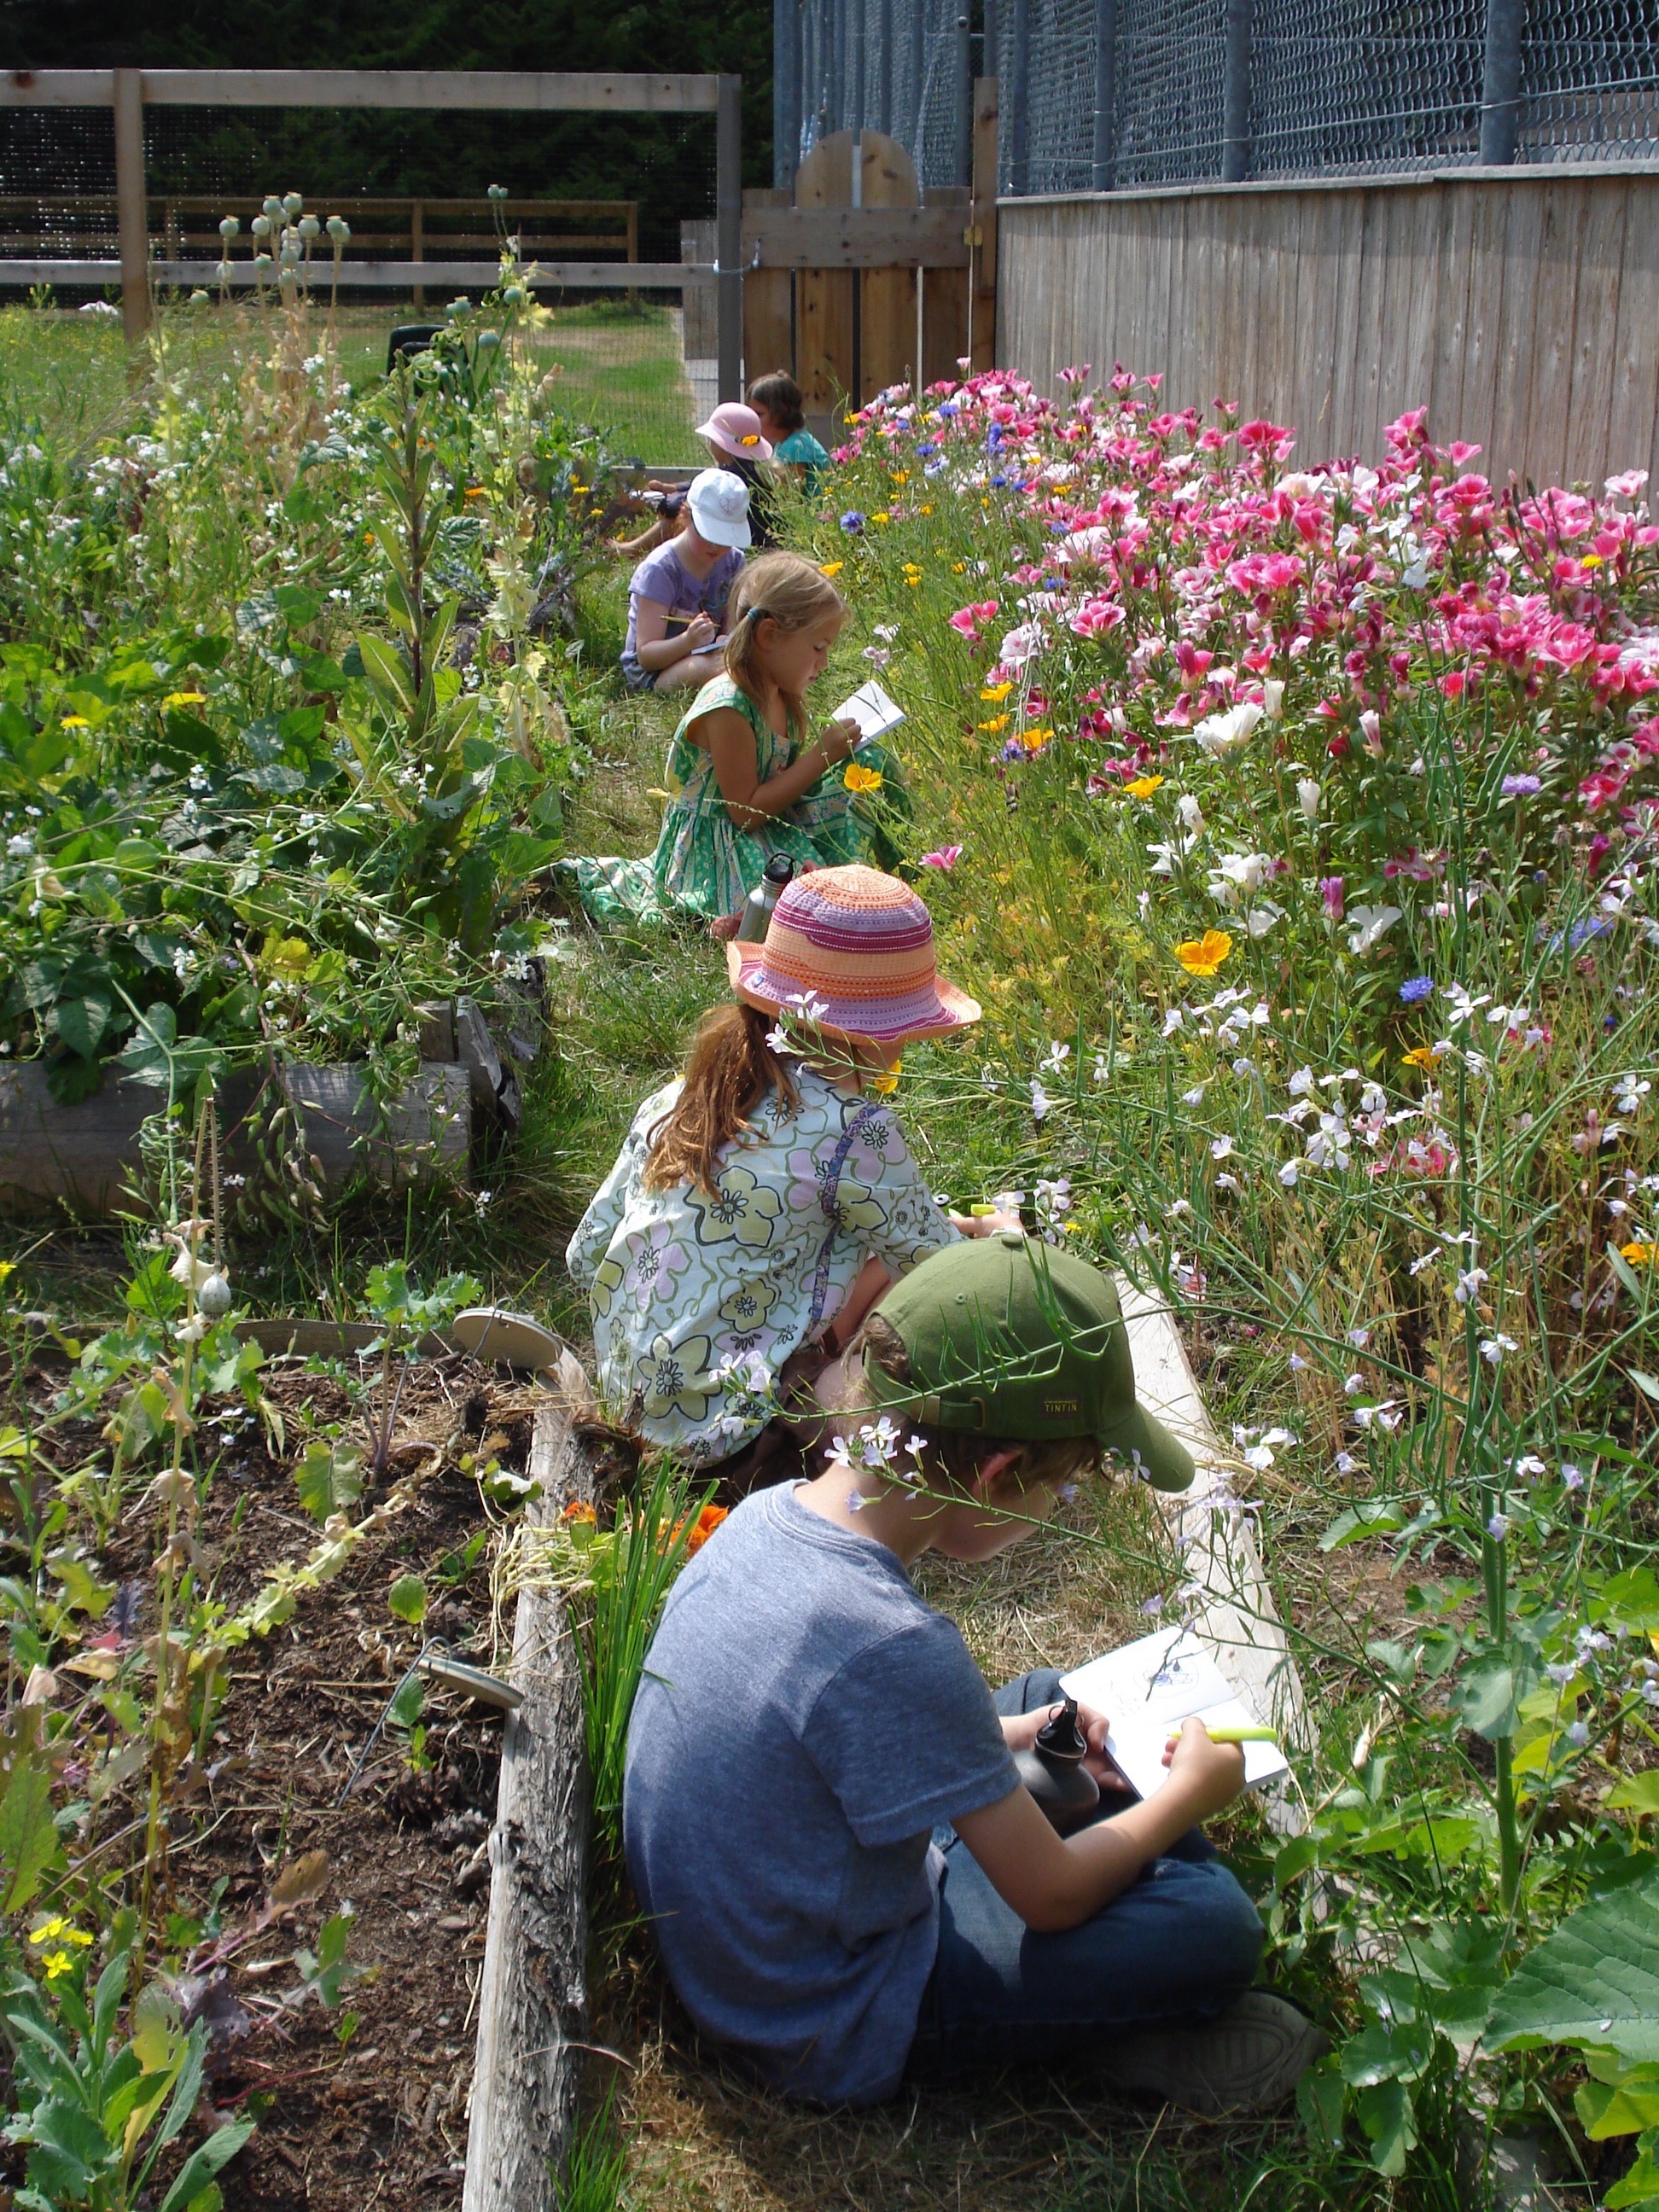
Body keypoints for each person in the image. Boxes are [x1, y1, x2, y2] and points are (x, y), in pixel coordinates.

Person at [624, 1233, 1328, 2111]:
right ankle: (1117, 2012)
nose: (1057, 1511)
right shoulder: (894, 1646)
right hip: (834, 2007)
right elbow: (1054, 1899)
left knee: (1049, 1706)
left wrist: (1007, 1736)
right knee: (1215, 1928)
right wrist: (1193, 1796)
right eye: (1061, 1490)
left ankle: (1112, 1920)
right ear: (997, 1477)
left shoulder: (768, 1516)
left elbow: (821, 1733)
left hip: (779, 1924)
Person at [566, 864, 1020, 1475]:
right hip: (722, 1438)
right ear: (886, 1032)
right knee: (896, 1284)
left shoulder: (680, 1097)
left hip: (626, 1403)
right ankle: (823, 1425)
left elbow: (585, 1254)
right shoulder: (857, 1133)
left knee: (847, 1243)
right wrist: (1002, 1241)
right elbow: (943, 1279)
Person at [647, 549, 902, 917]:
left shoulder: (776, 690)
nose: (824, 663)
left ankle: (901, 874)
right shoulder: (729, 707)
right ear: (768, 636)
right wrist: (821, 757)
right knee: (801, 900)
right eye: (817, 648)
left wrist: (832, 756)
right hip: (722, 844)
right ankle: (847, 893)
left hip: (770, 820)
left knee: (869, 761)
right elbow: (745, 814)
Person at [620, 469, 750, 696]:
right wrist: (688, 641)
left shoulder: (733, 562)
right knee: (719, 669)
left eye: (725, 538)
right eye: (708, 535)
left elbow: (731, 625)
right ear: (686, 516)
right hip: (656, 671)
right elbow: (646, 655)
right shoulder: (660, 571)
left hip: (706, 652)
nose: (716, 547)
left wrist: (727, 639)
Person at [694, 400, 780, 546]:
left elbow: (701, 498)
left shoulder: (730, 481)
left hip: (744, 547)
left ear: (721, 445)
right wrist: (676, 488)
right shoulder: (756, 471)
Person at [748, 370, 830, 492]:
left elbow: (793, 495)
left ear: (782, 411)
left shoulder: (796, 447)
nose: (753, 421)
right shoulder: (787, 443)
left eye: (759, 414)